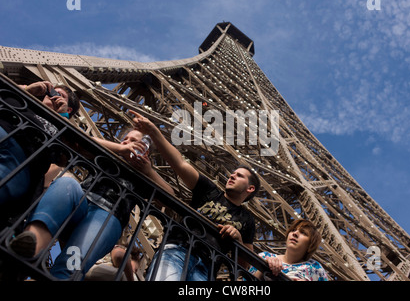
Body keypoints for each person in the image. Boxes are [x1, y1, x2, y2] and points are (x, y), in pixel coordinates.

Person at [9, 129, 174, 280]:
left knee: (71, 263)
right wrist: (119, 149)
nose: (129, 143)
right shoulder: (106, 154)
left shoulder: (145, 176)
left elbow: (171, 198)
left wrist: (149, 172)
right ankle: (30, 248)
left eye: (135, 141)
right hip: (80, 203)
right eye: (125, 139)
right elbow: (82, 140)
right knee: (67, 184)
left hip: (107, 215)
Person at [129, 110, 260, 281]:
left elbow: (245, 265)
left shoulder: (247, 219)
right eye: (233, 173)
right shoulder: (209, 190)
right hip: (178, 250)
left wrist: (239, 240)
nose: (231, 175)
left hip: (207, 268)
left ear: (250, 189)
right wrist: (153, 131)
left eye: (239, 175)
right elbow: (180, 164)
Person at [0, 81, 80, 223]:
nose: (51, 95)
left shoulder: (61, 127)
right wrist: (28, 89)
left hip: (18, 158)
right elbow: (4, 92)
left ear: (69, 110)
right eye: (51, 91)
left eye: (59, 95)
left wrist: (62, 115)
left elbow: (64, 154)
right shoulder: (25, 101)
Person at [249, 219, 329, 281]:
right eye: (293, 230)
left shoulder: (315, 268)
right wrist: (264, 266)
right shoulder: (265, 256)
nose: (295, 233)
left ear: (310, 244)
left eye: (303, 233)